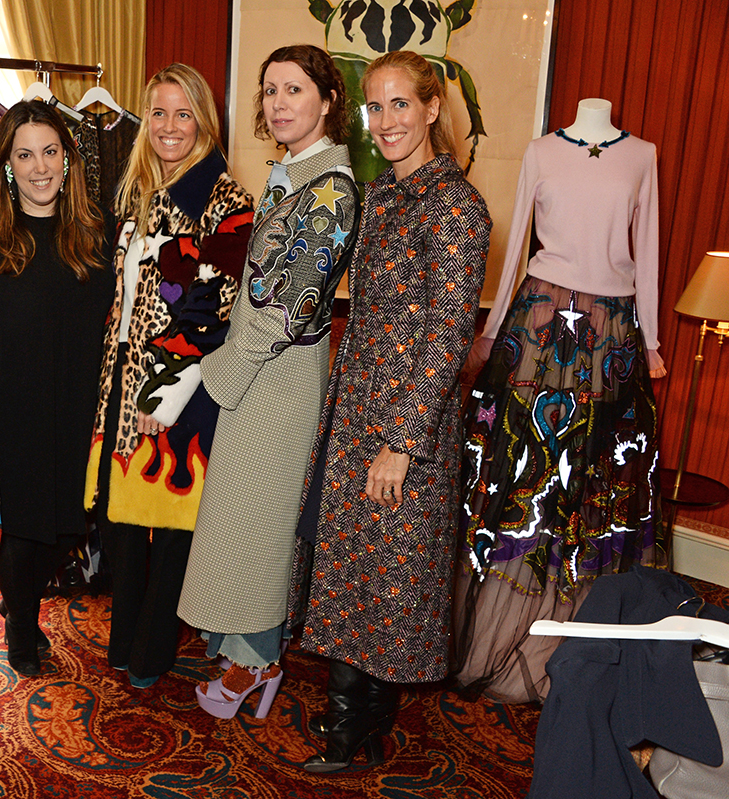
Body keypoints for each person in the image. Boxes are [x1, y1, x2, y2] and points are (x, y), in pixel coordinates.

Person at [287, 50, 491, 773]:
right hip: (354, 408)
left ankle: (355, 727)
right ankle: (356, 717)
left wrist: (402, 441)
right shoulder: (378, 197)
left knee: (389, 574)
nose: (386, 121)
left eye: (400, 104)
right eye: (375, 107)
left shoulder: (458, 207)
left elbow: (447, 334)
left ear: (433, 108)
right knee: (351, 567)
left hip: (409, 422)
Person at [451, 98, 665, 704]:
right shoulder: (542, 150)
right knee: (520, 476)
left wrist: (650, 340)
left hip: (613, 334)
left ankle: (569, 645)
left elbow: (645, 251)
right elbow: (516, 239)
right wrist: (491, 331)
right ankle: (497, 635)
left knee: (589, 483)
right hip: (535, 326)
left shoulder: (643, 156)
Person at [177, 44, 361, 720]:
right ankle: (245, 655)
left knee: (261, 526)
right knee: (242, 518)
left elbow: (294, 302)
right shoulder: (294, 171)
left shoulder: (333, 187)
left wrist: (224, 370)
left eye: (294, 90)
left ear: (327, 101)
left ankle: (256, 666)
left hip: (277, 374)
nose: (279, 103)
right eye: (270, 90)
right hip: (261, 366)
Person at [84, 64, 254, 689]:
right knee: (125, 521)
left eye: (184, 114)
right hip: (123, 375)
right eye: (158, 112)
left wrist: (169, 390)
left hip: (178, 384)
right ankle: (124, 644)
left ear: (205, 123)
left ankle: (152, 652)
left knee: (173, 525)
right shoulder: (139, 192)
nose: (169, 127)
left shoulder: (227, 200)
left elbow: (216, 305)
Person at [0, 101, 115, 677]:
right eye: (24, 155)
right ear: (6, 164)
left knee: (64, 529)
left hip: (76, 403)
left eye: (49, 152)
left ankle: (19, 602)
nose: (38, 168)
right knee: (20, 529)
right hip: (8, 408)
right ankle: (22, 627)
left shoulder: (97, 233)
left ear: (68, 159)